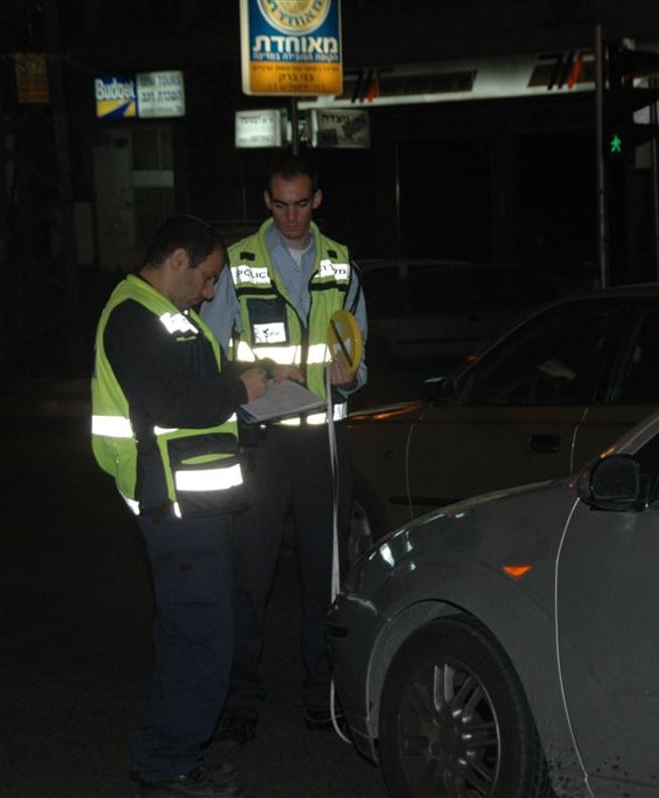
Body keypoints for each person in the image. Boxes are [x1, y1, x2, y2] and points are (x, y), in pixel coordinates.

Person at [90, 215, 298, 798]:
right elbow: (169, 399)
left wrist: (257, 375)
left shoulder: (167, 316)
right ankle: (168, 763)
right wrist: (242, 391)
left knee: (194, 634)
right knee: (199, 638)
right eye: (206, 278)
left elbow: (196, 377)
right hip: (174, 506)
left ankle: (172, 754)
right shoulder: (133, 315)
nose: (209, 291)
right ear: (178, 259)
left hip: (196, 504)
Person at [199, 152, 368, 742]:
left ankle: (322, 696)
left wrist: (353, 374)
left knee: (327, 579)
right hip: (263, 444)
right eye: (280, 204)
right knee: (251, 575)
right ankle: (240, 699)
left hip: (323, 441)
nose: (291, 216)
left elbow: (356, 352)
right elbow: (214, 350)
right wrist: (247, 384)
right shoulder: (239, 262)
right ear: (266, 203)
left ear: (316, 201)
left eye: (301, 203)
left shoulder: (342, 264)